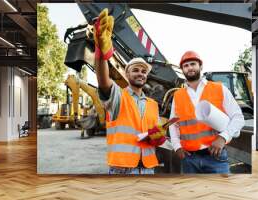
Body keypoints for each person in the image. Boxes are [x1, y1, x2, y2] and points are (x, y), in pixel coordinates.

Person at [93, 9, 166, 174]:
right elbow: (103, 81)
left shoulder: (152, 105)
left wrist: (159, 137)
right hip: (123, 169)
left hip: (148, 168)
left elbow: (154, 134)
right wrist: (101, 52)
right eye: (135, 70)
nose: (140, 73)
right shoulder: (119, 97)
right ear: (127, 74)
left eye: (143, 71)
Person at [169, 51, 245, 174]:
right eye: (186, 66)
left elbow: (238, 118)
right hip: (189, 158)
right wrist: (177, 146)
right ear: (182, 70)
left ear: (200, 66)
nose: (190, 68)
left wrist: (223, 137)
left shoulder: (219, 88)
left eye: (193, 64)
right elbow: (173, 123)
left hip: (215, 156)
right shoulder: (178, 95)